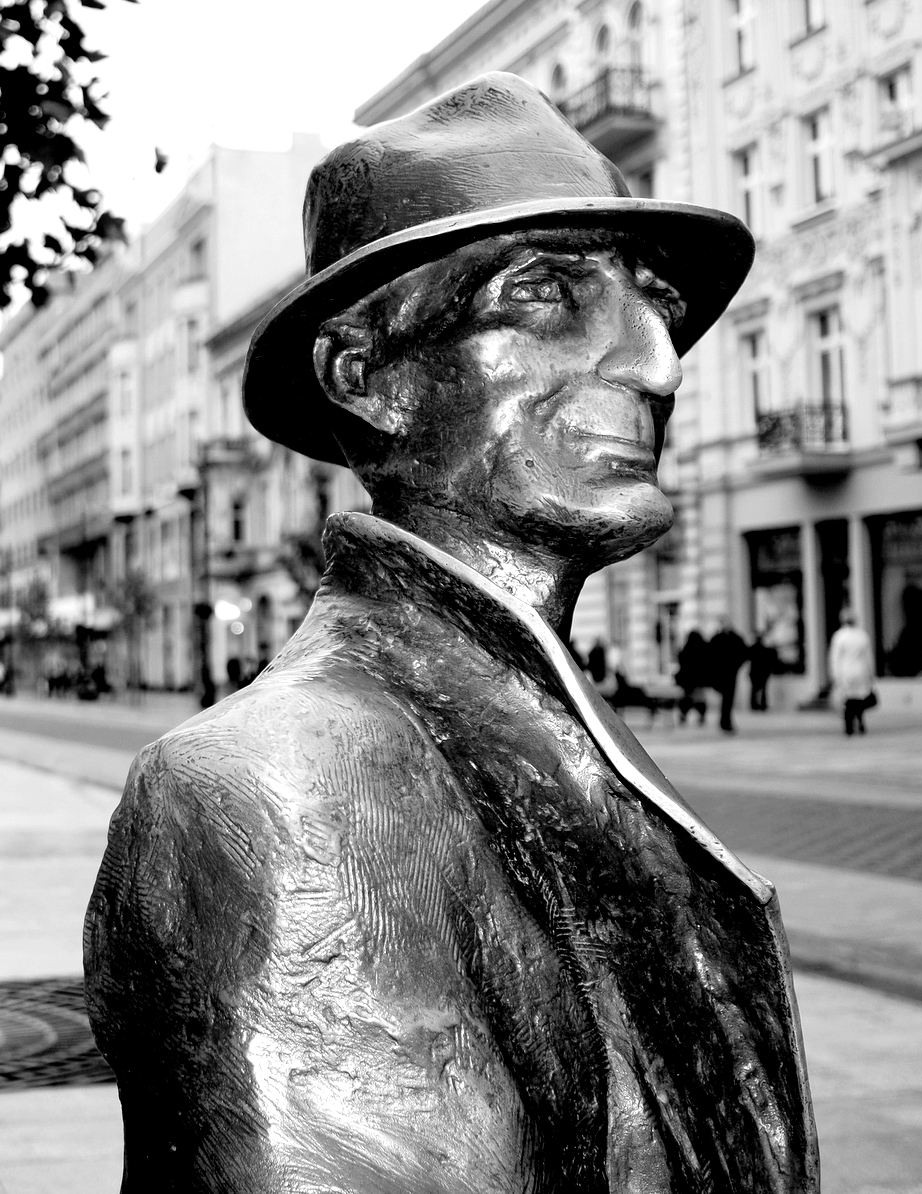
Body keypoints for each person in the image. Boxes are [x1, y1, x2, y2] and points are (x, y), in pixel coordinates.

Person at [85, 75, 816, 1194]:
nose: (659, 363)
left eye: (656, 303)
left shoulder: (530, 731)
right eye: (545, 292)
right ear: (366, 375)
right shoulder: (281, 789)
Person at [828, 610, 875, 736]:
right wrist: (871, 673)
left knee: (848, 699)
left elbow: (835, 658)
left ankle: (849, 725)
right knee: (859, 698)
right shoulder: (862, 635)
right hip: (861, 670)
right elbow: (869, 657)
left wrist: (835, 675)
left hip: (845, 671)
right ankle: (859, 720)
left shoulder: (839, 636)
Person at [709, 619, 749, 734]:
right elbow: (710, 655)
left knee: (728, 698)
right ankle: (725, 721)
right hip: (722, 672)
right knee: (727, 698)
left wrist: (736, 665)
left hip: (729, 672)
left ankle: (725, 721)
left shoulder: (734, 639)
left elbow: (744, 653)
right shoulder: (719, 638)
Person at [674, 628, 709, 724]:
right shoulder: (703, 649)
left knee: (687, 699)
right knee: (699, 699)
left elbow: (682, 662)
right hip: (699, 680)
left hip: (689, 681)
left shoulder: (687, 648)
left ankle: (684, 715)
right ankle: (701, 716)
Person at [748, 634, 778, 711]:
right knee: (763, 689)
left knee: (754, 689)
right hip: (761, 672)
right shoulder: (763, 649)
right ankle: (762, 704)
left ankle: (754, 704)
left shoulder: (753, 649)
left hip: (755, 672)